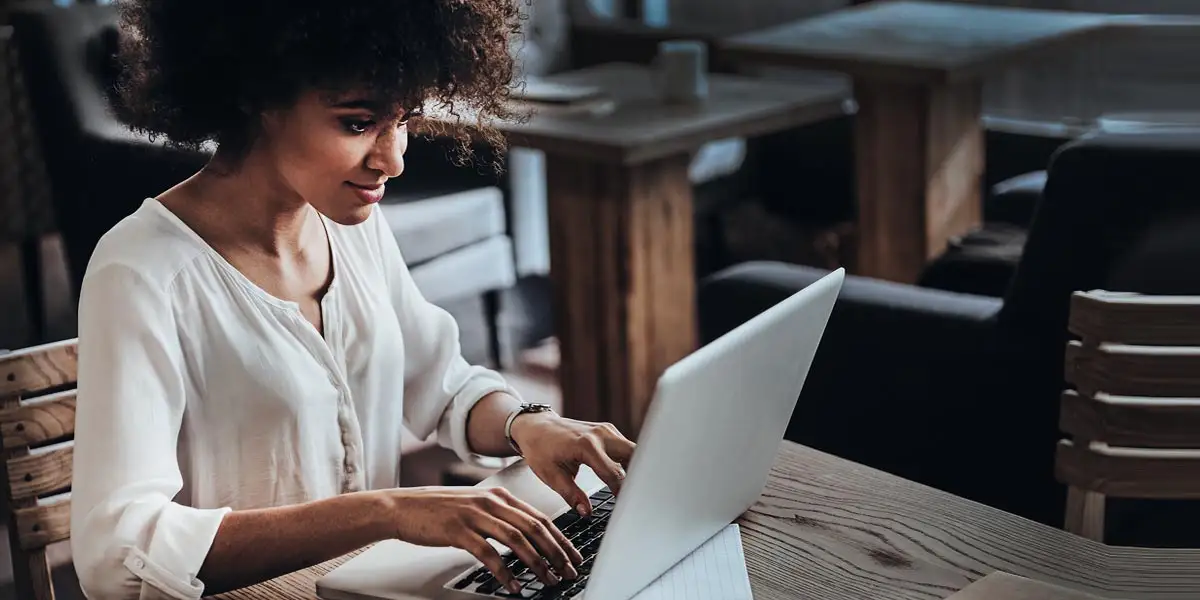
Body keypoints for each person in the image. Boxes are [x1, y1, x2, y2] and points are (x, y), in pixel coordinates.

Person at [69, 1, 636, 598]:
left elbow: (440, 385)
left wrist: (528, 425)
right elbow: (116, 553)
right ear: (256, 95)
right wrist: (388, 511)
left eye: (405, 119)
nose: (392, 159)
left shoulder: (352, 225)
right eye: (358, 123)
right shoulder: (141, 272)